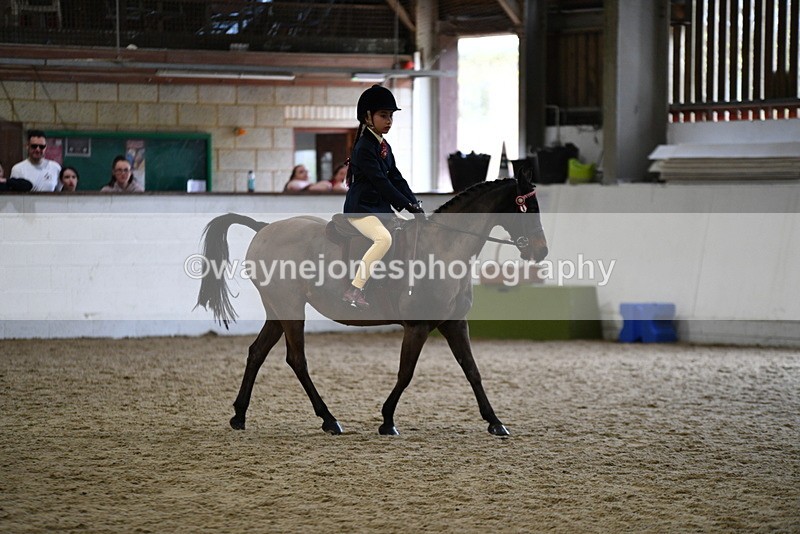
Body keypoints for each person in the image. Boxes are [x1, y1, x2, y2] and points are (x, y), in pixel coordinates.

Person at [341, 84, 423, 310]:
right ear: (368, 117)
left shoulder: (383, 145)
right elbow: (381, 182)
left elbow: (396, 177)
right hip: (361, 210)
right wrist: (405, 205)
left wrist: (414, 202)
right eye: (383, 116)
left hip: (378, 208)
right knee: (383, 239)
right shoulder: (364, 147)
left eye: (391, 116)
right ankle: (355, 288)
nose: (389, 121)